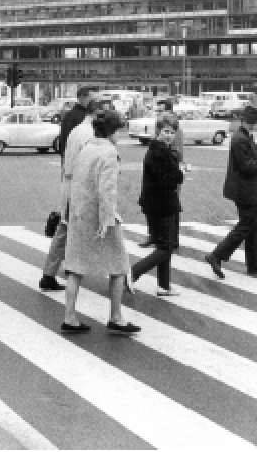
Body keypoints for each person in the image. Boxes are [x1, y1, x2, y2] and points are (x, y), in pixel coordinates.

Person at [62, 110, 140, 334]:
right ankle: (116, 317)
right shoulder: (108, 153)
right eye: (119, 132)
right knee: (119, 266)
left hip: (79, 215)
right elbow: (107, 191)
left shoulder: (86, 148)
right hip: (99, 218)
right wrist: (108, 220)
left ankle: (69, 316)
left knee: (75, 268)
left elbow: (75, 181)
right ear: (113, 132)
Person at [204, 104, 257, 279]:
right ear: (243, 121)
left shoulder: (245, 136)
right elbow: (246, 166)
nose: (253, 125)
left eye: (254, 122)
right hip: (245, 190)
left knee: (254, 228)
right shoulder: (240, 139)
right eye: (251, 122)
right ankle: (217, 255)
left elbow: (249, 162)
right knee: (245, 226)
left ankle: (254, 264)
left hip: (248, 189)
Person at [40, 86, 95, 291]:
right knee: (75, 229)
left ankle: (50, 273)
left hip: (69, 179)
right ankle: (73, 269)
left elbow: (65, 146)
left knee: (64, 229)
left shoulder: (71, 119)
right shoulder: (86, 129)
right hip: (79, 187)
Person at [131, 116, 184, 296]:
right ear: (158, 132)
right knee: (164, 248)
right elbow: (164, 181)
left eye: (172, 132)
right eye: (166, 132)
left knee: (164, 245)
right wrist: (180, 174)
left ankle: (164, 285)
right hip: (161, 205)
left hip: (158, 204)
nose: (169, 135)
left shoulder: (160, 150)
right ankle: (133, 273)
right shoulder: (158, 152)